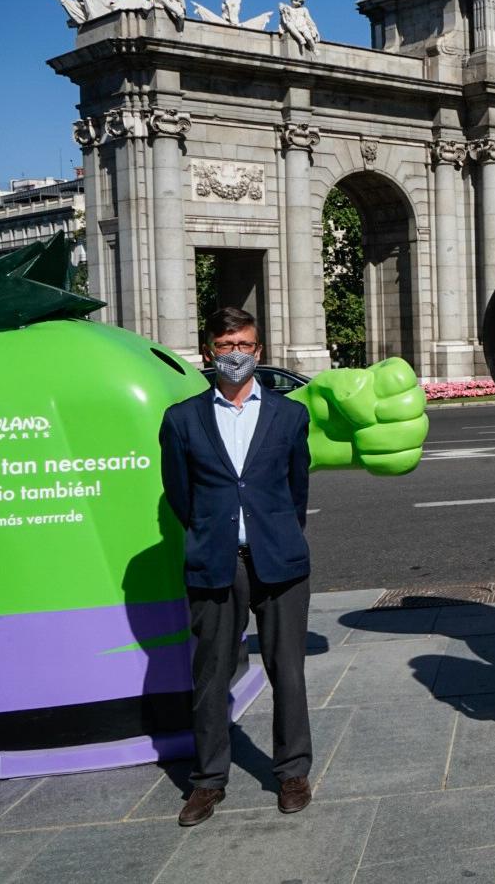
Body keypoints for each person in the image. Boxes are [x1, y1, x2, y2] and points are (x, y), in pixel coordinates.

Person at [159, 307, 314, 825]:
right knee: (211, 675)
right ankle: (207, 782)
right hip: (215, 563)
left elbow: (296, 492)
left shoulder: (289, 416)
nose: (235, 355)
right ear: (209, 353)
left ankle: (292, 772)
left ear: (259, 352)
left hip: (280, 561)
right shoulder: (182, 419)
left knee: (287, 671)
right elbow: (181, 495)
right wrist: (214, 533)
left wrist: (273, 533)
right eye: (225, 346)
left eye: (244, 345)